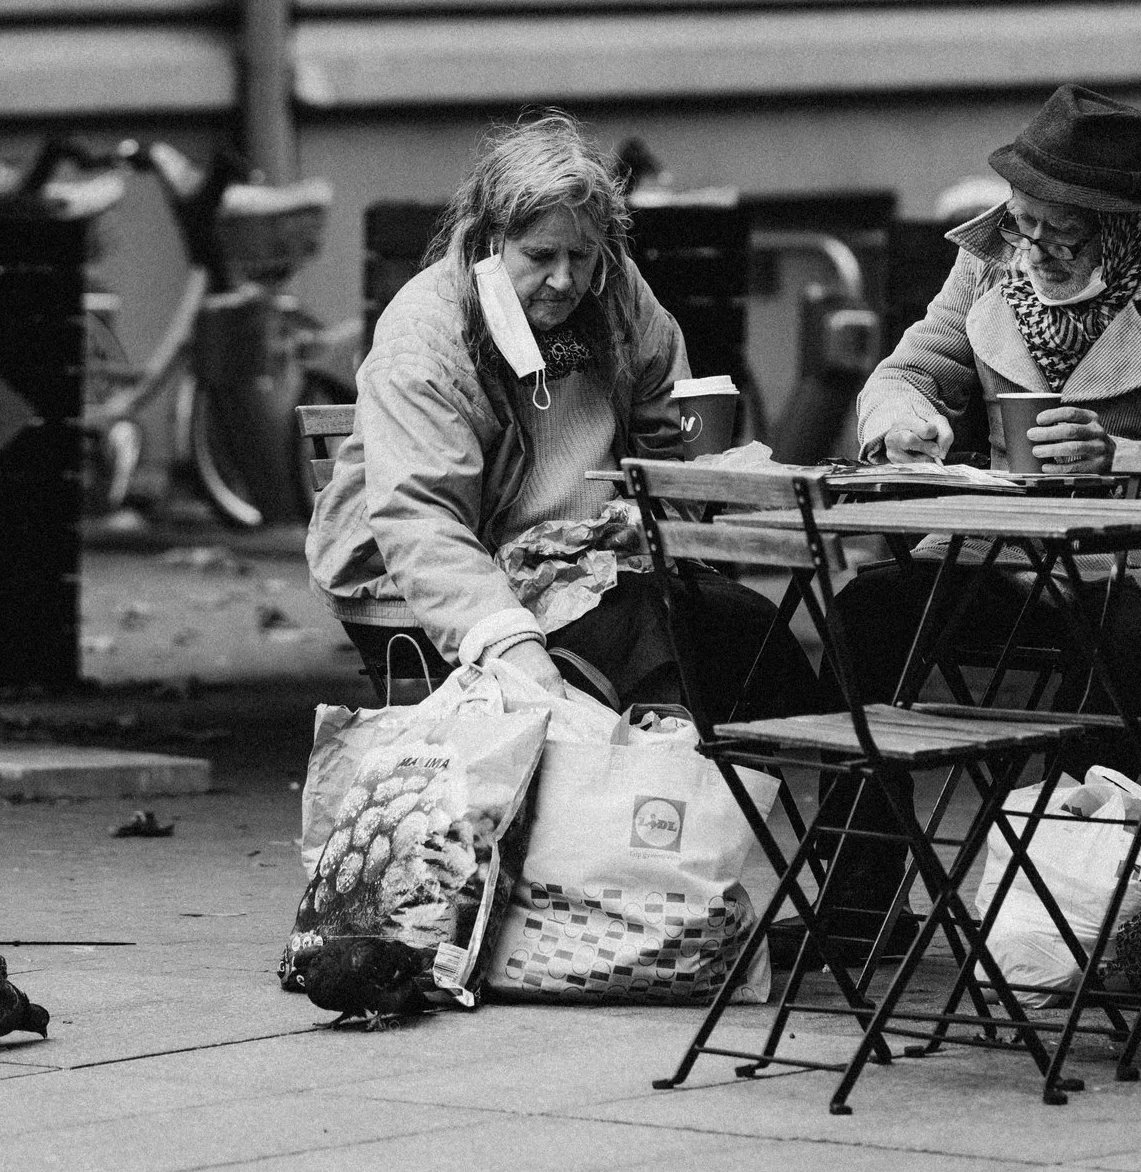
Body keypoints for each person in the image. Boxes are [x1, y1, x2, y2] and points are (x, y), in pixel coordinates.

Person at [306, 110, 807, 717]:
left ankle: (844, 810)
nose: (565, 279)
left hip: (596, 566)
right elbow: (421, 516)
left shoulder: (616, 291)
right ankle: (663, 804)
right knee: (658, 659)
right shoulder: (426, 338)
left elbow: (664, 441)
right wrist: (509, 639)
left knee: (751, 632)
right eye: (541, 255)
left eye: (583, 255)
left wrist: (658, 527)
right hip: (440, 581)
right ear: (490, 242)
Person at [840, 84, 1141, 732]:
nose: (1031, 250)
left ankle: (1067, 826)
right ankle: (857, 832)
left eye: (1060, 236)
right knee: (868, 608)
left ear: (1118, 230)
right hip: (1004, 550)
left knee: (1121, 641)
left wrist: (1120, 463)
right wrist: (903, 425)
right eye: (1021, 221)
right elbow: (907, 373)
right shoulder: (990, 263)